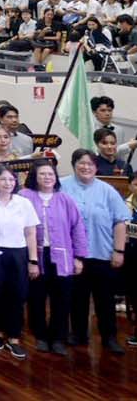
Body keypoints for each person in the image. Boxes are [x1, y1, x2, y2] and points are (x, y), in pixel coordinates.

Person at [64, 148, 130, 353]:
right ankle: (78, 334)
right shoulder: (62, 186)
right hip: (74, 255)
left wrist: (119, 251)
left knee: (105, 299)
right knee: (77, 297)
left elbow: (120, 221)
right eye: (81, 163)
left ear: (96, 167)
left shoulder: (107, 190)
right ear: (74, 165)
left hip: (102, 253)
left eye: (90, 164)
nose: (86, 167)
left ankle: (109, 337)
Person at [22, 158, 86, 353]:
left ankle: (58, 338)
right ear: (34, 176)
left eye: (50, 174)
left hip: (62, 256)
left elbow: (78, 228)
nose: (47, 177)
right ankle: (40, 336)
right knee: (36, 297)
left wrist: (79, 257)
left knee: (62, 298)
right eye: (42, 174)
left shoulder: (65, 199)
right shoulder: (24, 197)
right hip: (34, 256)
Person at [0, 163, 39, 359]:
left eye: (11, 179)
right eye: (3, 179)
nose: (8, 183)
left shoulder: (23, 202)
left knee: (17, 294)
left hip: (18, 253)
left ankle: (14, 337)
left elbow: (30, 233)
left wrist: (33, 260)